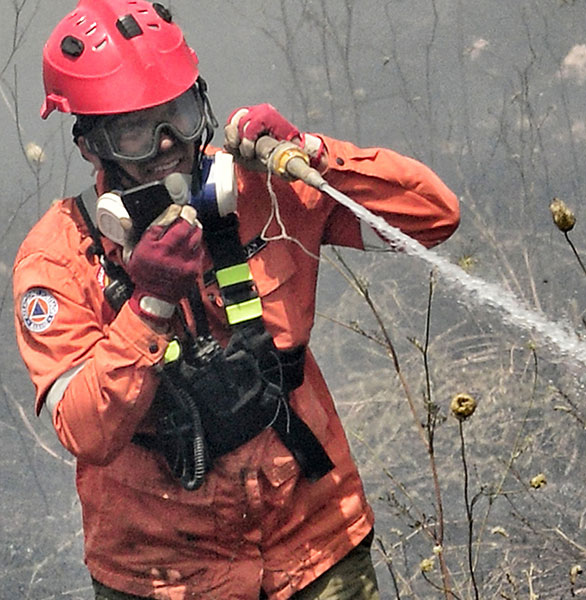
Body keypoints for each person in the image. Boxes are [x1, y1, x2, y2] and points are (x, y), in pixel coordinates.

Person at [12, 0, 459, 598]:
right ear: (91, 145)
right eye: (136, 130)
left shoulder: (262, 188)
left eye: (177, 115)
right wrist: (149, 304)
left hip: (314, 543)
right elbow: (86, 432)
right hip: (161, 573)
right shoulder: (60, 259)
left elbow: (432, 218)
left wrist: (313, 155)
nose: (168, 145)